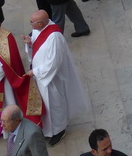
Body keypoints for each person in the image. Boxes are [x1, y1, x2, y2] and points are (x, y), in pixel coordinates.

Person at [24, 9, 90, 146]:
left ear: (41, 23)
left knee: (54, 105)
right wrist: (30, 43)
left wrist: (35, 72)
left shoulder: (54, 37)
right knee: (45, 106)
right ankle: (47, 129)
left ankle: (59, 130)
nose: (31, 24)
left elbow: (53, 63)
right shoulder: (38, 30)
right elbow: (37, 47)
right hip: (40, 76)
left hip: (51, 79)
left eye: (32, 22)